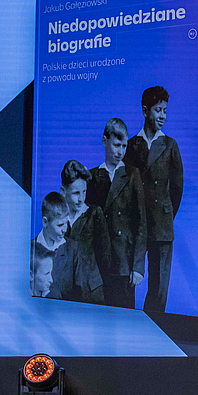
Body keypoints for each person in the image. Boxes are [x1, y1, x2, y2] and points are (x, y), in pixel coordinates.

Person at [124, 86, 184, 313]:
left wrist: (166, 215)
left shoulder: (170, 146)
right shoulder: (131, 145)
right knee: (129, 279)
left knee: (159, 287)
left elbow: (177, 189)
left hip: (161, 226)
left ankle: (154, 328)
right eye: (158, 110)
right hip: (135, 226)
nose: (162, 116)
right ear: (145, 110)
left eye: (165, 111)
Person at [87, 118, 146, 309]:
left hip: (124, 263)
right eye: (116, 145)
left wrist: (137, 267)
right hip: (98, 260)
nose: (120, 151)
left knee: (124, 317)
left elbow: (141, 223)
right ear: (105, 141)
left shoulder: (132, 175)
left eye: (124, 146)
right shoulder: (93, 177)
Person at [52, 160, 108, 304]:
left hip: (91, 290)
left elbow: (105, 256)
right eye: (76, 193)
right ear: (63, 192)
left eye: (84, 192)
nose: (81, 198)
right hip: (65, 291)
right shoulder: (57, 218)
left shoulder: (95, 214)